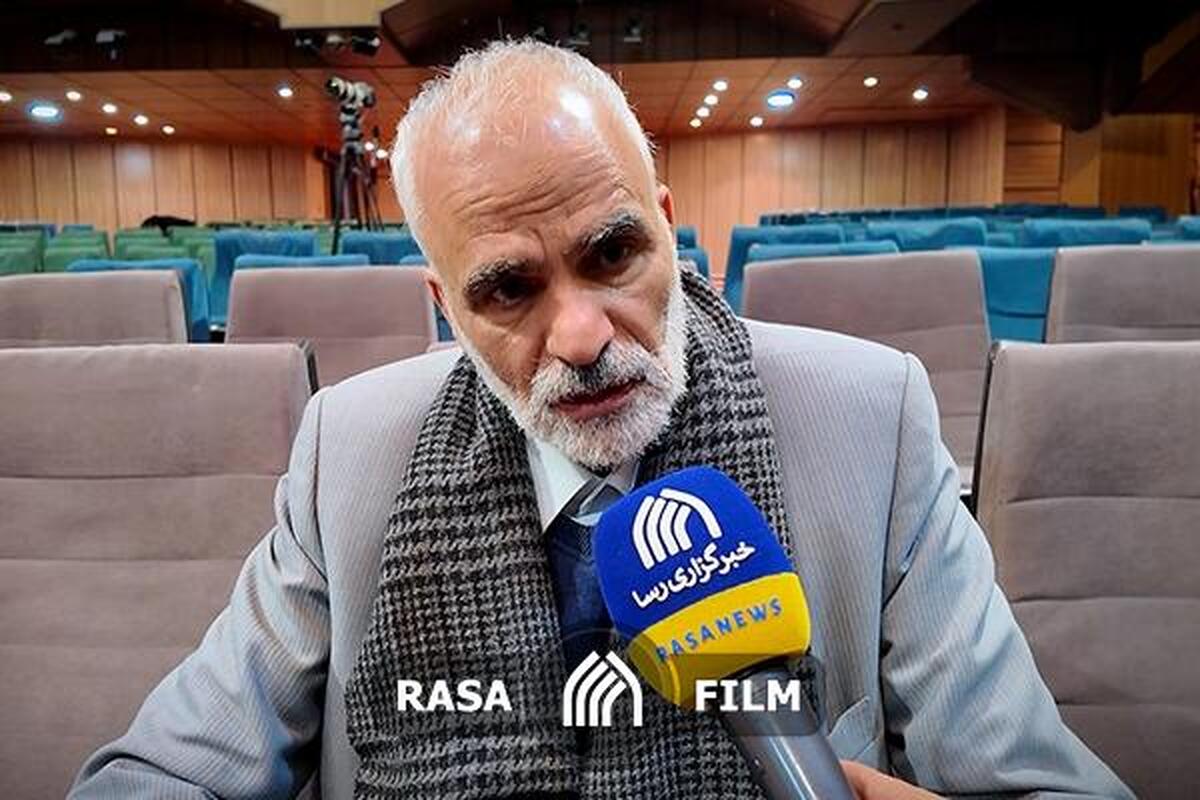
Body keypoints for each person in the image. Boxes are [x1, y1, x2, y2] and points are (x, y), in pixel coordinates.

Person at [72, 40, 1131, 800]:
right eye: (508, 289)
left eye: (613, 254)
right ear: (446, 309)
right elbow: (166, 768)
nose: (580, 336)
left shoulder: (870, 420)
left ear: (668, 230)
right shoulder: (346, 452)